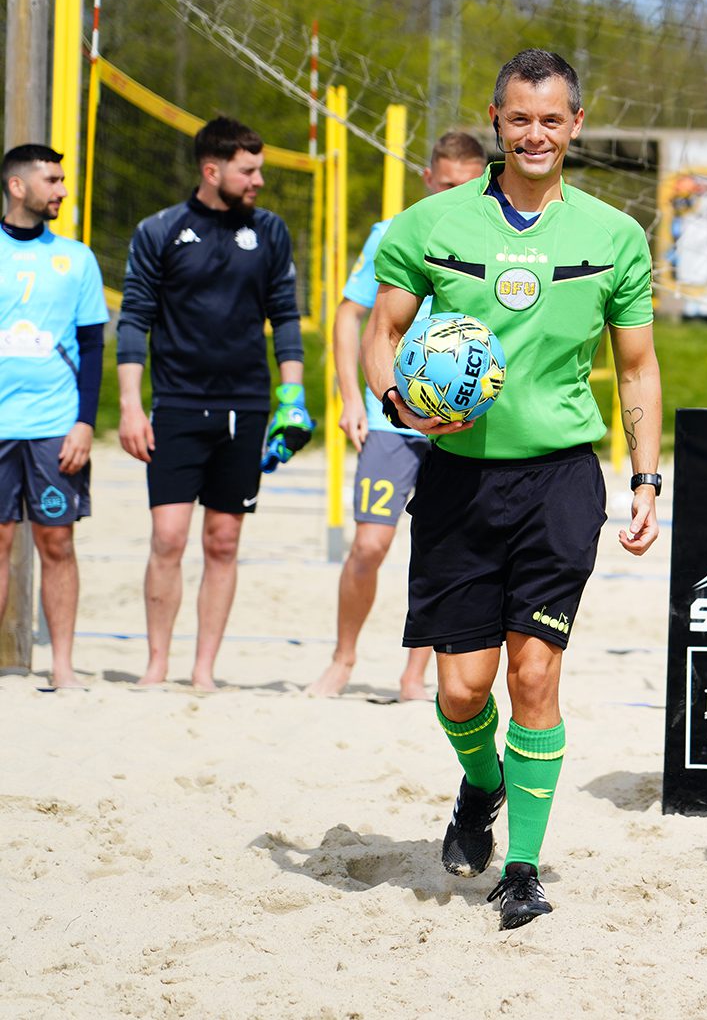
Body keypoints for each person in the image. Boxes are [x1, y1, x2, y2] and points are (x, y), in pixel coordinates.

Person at [362, 49, 663, 930]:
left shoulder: (614, 236)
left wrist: (646, 476)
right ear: (496, 121)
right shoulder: (429, 224)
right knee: (462, 691)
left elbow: (637, 368)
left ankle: (522, 870)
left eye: (552, 119)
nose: (537, 134)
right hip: (457, 479)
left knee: (535, 673)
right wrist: (398, 402)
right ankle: (481, 784)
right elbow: (382, 333)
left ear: (576, 125)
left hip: (560, 478)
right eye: (520, 118)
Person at [116, 116, 311, 691]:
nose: (259, 181)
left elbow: (285, 316)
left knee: (223, 542)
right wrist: (130, 406)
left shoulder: (269, 231)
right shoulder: (160, 230)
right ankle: (157, 664)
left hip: (245, 408)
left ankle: (203, 671)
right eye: (248, 171)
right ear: (211, 170)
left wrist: (292, 398)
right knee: (169, 538)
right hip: (176, 405)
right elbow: (133, 320)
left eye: (259, 169)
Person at [305, 131, 488, 701]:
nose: (455, 194)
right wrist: (350, 398)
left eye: (467, 185)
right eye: (446, 183)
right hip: (392, 416)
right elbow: (348, 317)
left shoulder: (493, 239)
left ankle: (414, 676)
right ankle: (343, 659)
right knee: (370, 546)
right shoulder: (394, 232)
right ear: (428, 179)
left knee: (443, 552)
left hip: (458, 418)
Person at [0, 145, 109, 689]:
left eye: (63, 180)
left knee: (57, 543)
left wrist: (84, 422)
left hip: (54, 426)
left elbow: (93, 346)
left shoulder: (77, 258)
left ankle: (61, 666)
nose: (62, 190)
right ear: (17, 186)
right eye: (52, 180)